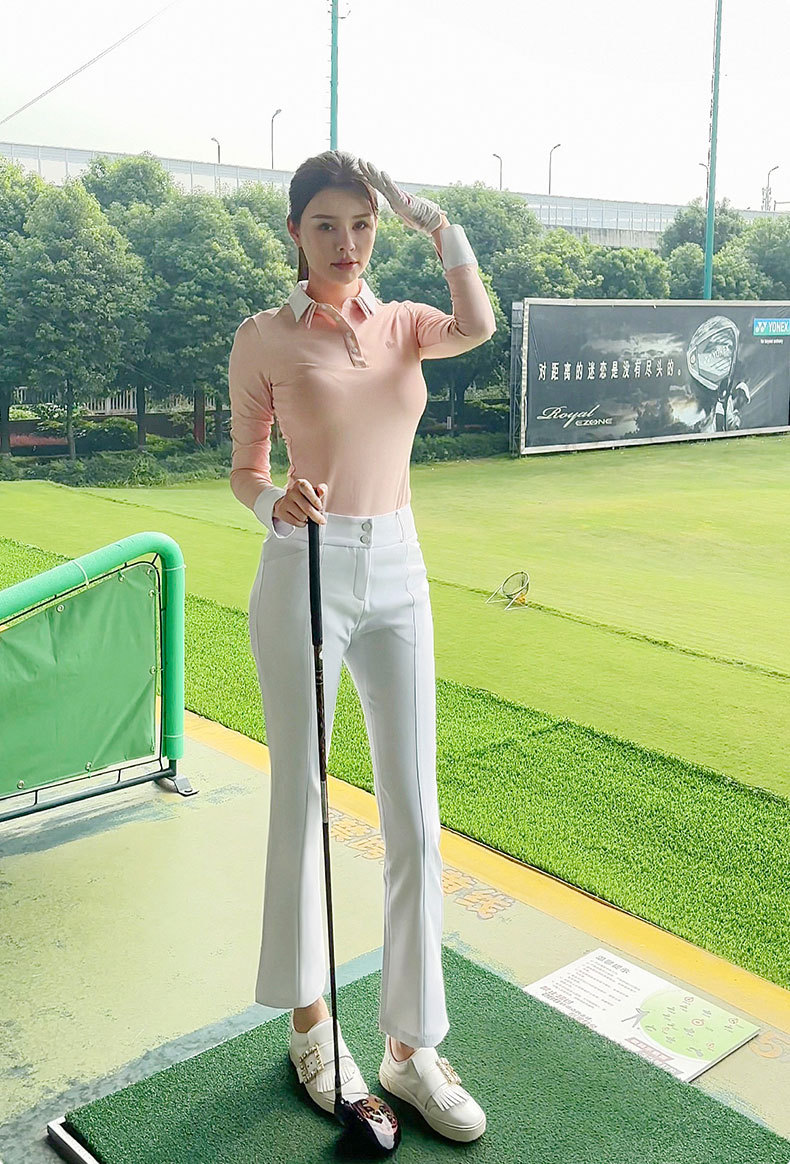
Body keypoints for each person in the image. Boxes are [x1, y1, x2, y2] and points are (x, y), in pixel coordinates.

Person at [228, 149, 496, 1143]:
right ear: (295, 232)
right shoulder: (263, 336)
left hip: (399, 566)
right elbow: (245, 468)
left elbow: (478, 324)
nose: (347, 243)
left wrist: (440, 227)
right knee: (303, 800)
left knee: (415, 815)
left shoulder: (406, 324)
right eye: (327, 225)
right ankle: (311, 1027)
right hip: (305, 564)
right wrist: (274, 503)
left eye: (363, 225)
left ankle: (409, 1047)